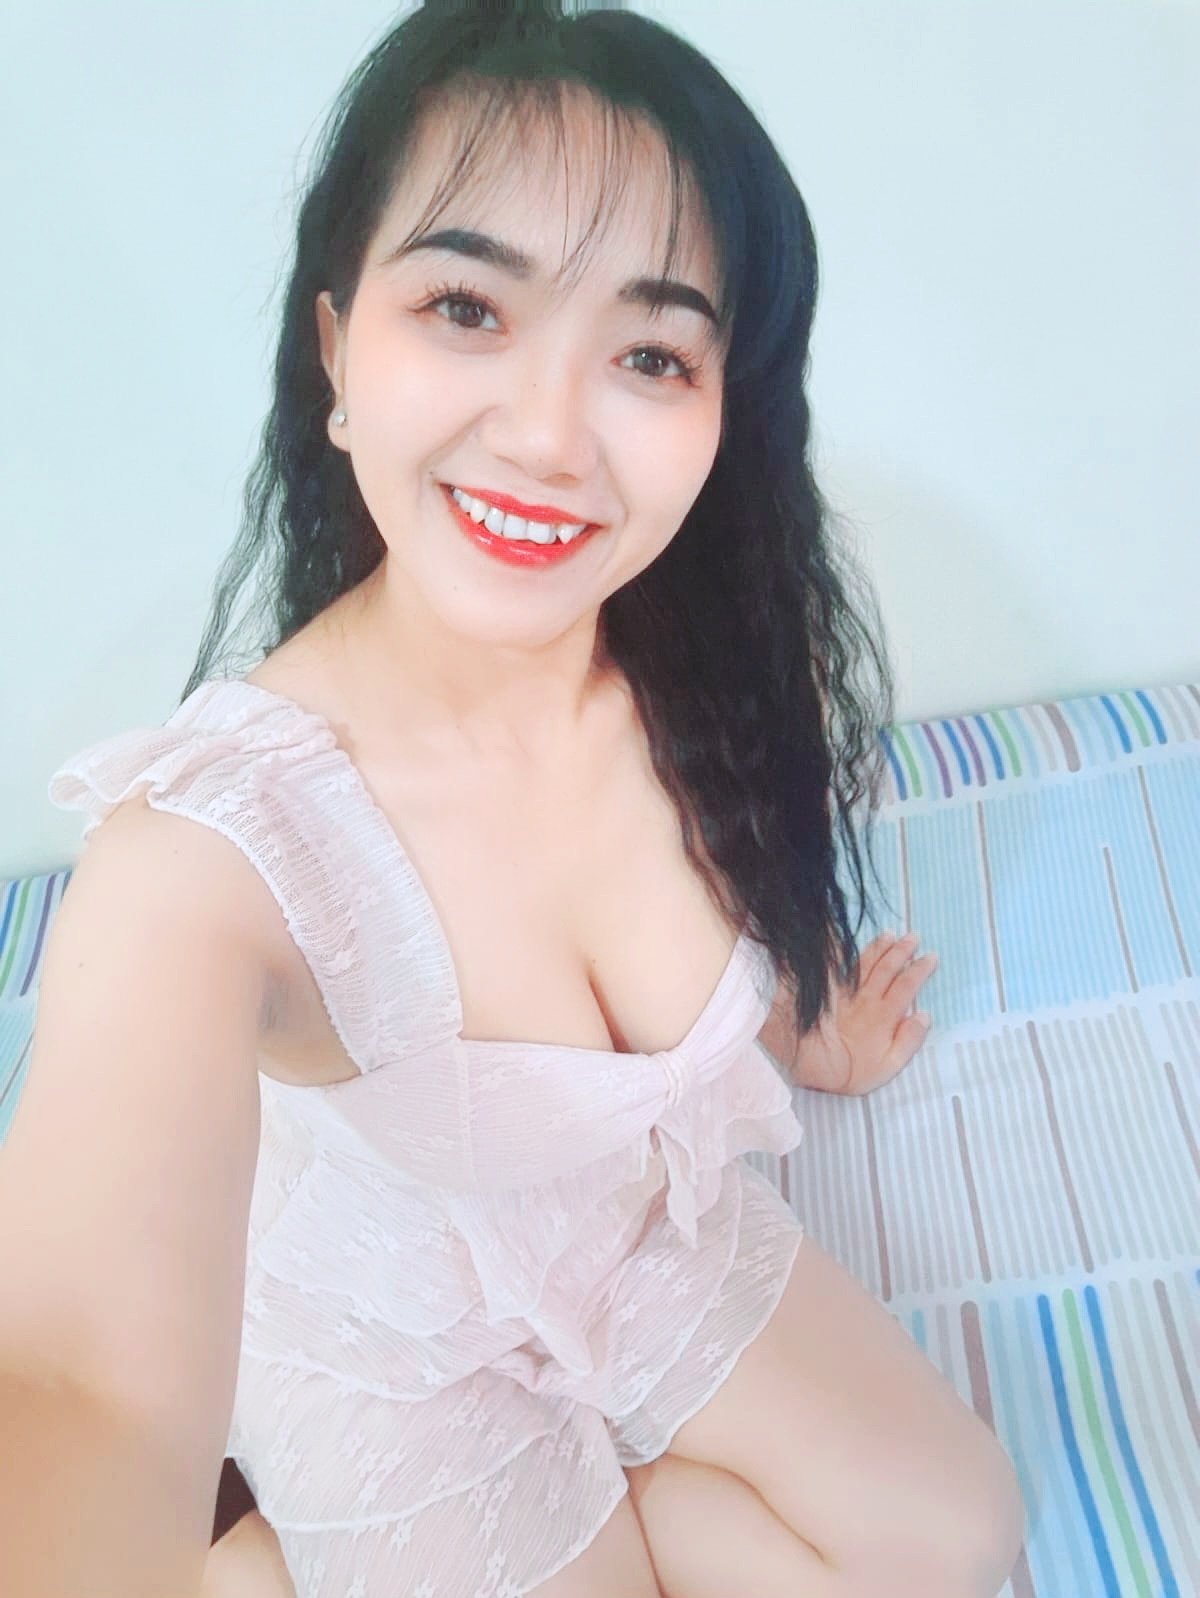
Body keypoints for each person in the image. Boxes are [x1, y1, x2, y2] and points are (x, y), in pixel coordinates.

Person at [1, 2, 1025, 1595]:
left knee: (956, 1538)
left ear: (722, 408)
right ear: (339, 350)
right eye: (467, 307)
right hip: (383, 1344)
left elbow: (748, 875)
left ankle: (596, 1505)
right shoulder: (209, 856)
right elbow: (76, 1376)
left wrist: (800, 1024)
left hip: (636, 1227)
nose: (549, 437)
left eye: (650, 353)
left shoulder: (717, 666)